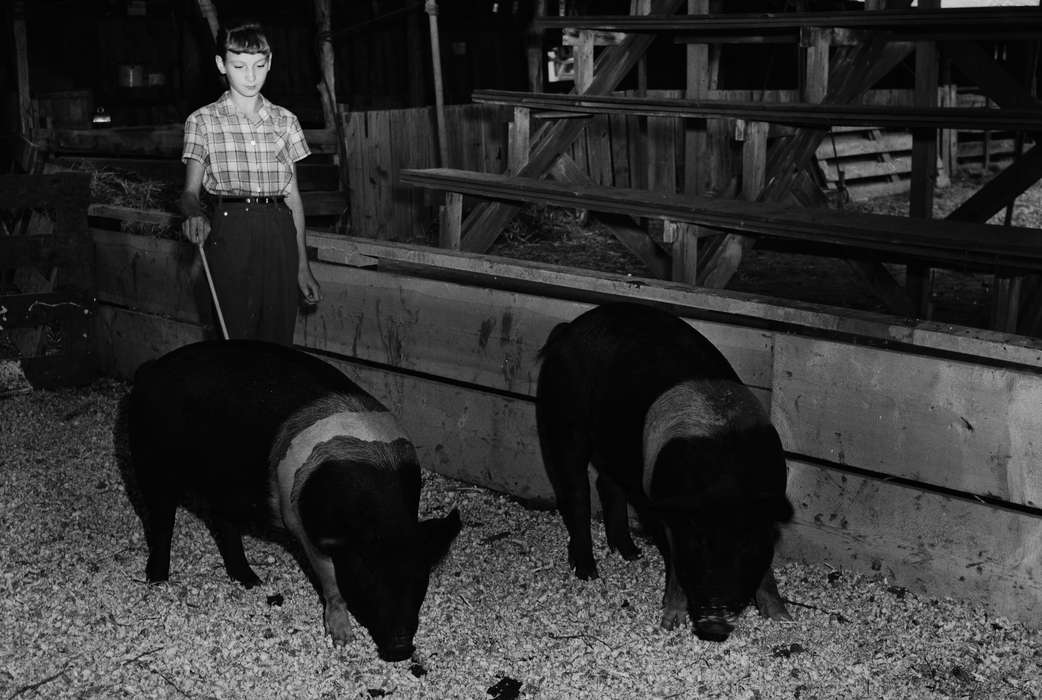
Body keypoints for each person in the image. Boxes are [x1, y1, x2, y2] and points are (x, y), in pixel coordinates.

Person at [180, 19, 321, 345]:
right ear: (222, 65)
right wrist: (194, 214)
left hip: (279, 232)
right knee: (235, 341)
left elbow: (293, 198)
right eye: (239, 66)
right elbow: (188, 193)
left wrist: (303, 266)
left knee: (278, 343)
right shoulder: (202, 121)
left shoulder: (286, 121)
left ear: (269, 63)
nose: (250, 76)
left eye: (258, 65)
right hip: (231, 232)